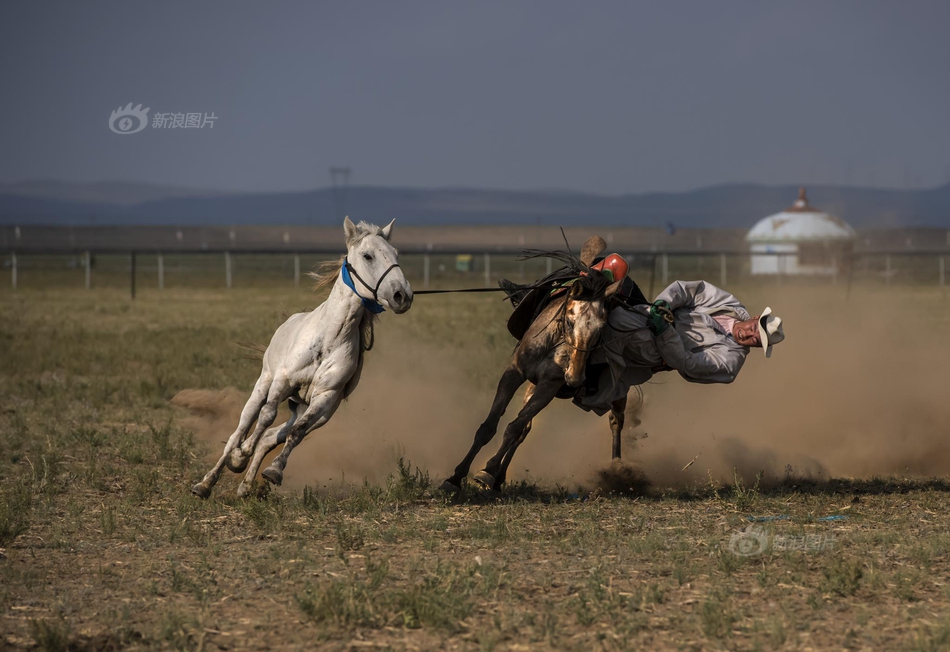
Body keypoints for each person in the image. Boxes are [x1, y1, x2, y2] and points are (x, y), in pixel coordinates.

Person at [576, 279, 785, 415]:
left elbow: (687, 363)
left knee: (617, 320)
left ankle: (587, 371)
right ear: (755, 318)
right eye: (754, 329)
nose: (748, 334)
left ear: (757, 347)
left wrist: (663, 331)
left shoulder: (730, 363)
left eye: (755, 340)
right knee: (613, 279)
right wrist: (665, 303)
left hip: (657, 350)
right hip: (654, 314)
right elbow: (690, 290)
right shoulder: (731, 304)